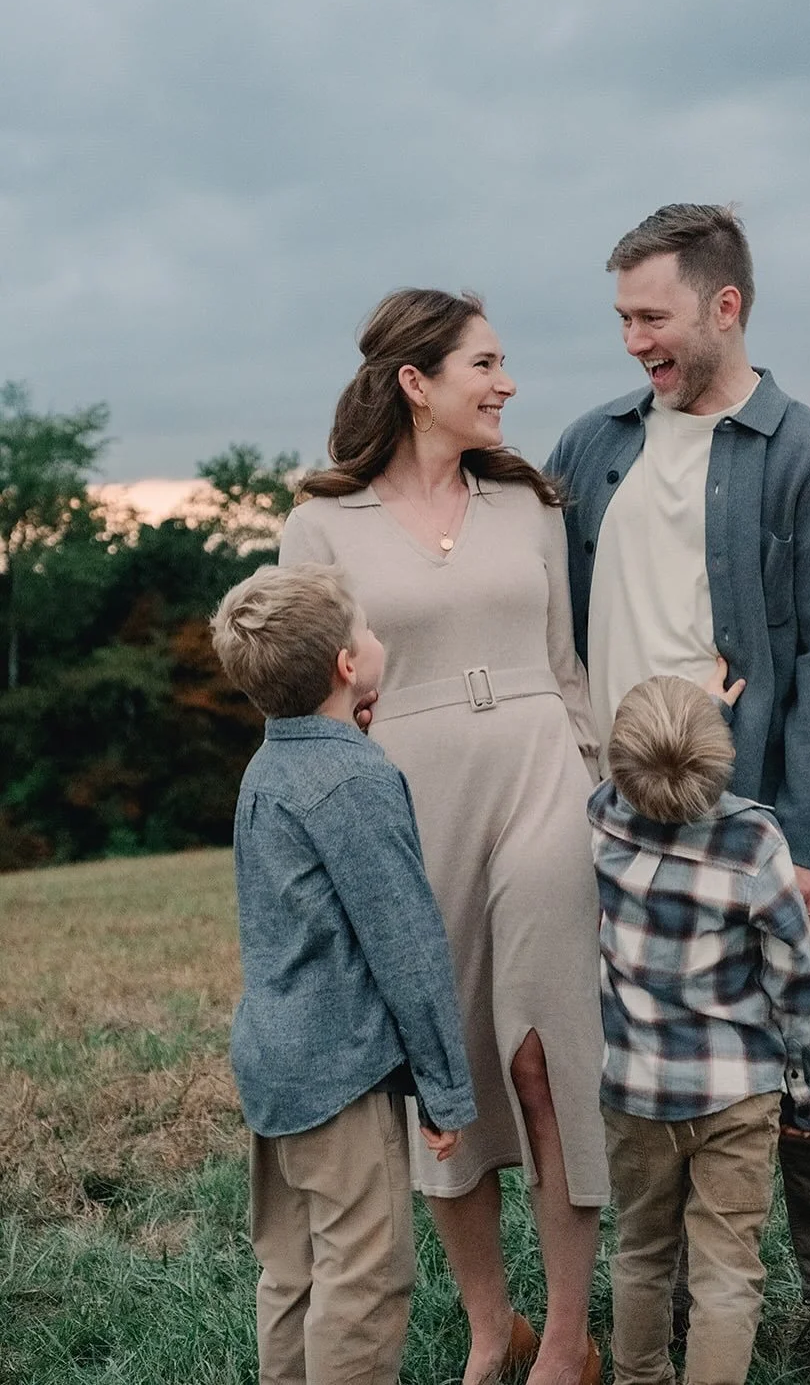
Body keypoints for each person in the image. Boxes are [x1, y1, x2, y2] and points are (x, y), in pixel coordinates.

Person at [546, 205, 810, 1383]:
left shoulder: (808, 460)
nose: (632, 340)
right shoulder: (589, 447)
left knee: (807, 1058)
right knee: (638, 1057)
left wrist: (806, 840)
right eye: (621, 318)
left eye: (651, 316)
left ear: (723, 305)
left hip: (745, 826)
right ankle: (676, 1289)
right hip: (610, 817)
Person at [278, 289, 607, 1385]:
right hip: (405, 799)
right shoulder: (321, 523)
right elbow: (304, 693)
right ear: (416, 383)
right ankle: (490, 1329)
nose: (506, 382)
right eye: (485, 362)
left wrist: (599, 779)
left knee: (545, 1057)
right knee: (447, 1069)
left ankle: (565, 1342)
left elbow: (566, 665)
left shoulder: (531, 504)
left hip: (540, 776)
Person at [210, 560, 477, 1385]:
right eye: (367, 630)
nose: (377, 638)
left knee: (291, 1274)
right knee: (366, 1276)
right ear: (347, 667)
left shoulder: (270, 765)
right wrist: (444, 1085)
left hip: (274, 1064)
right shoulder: (355, 777)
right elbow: (406, 944)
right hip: (337, 1073)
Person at [591, 667, 810, 1385]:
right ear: (716, 760)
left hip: (634, 1093)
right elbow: (796, 979)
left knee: (640, 1252)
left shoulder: (602, 815)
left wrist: (687, 722)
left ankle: (639, 1376)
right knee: (726, 1271)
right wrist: (806, 1094)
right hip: (736, 1096)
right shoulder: (753, 840)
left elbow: (649, 772)